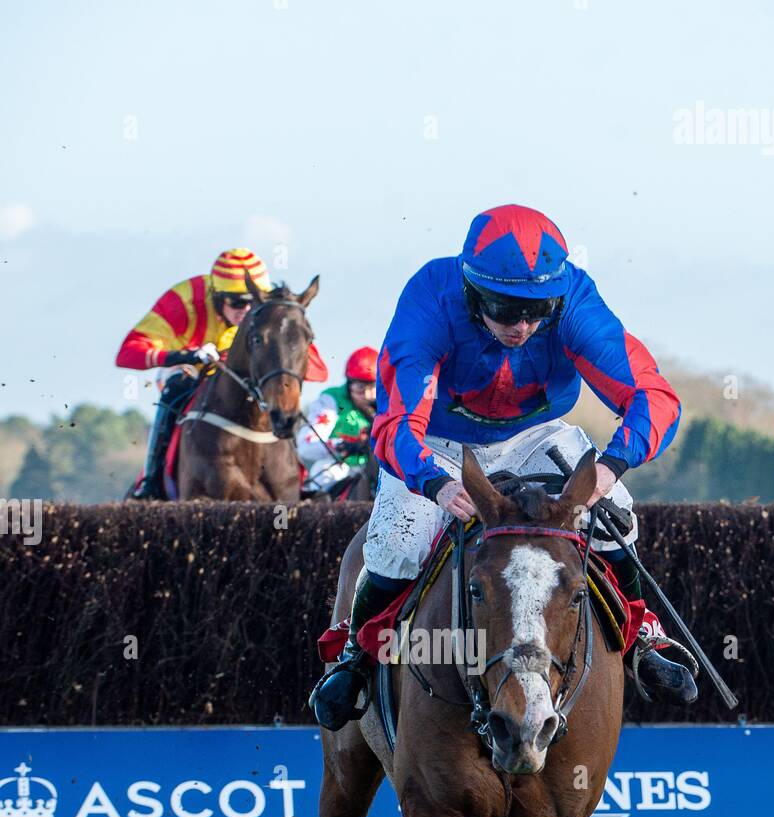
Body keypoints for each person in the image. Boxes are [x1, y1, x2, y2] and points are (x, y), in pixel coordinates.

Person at [311, 204, 697, 731]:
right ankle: (357, 655)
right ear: (473, 293)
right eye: (506, 310)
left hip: (534, 437)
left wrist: (611, 466)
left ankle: (641, 634)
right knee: (400, 541)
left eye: (537, 312)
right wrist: (435, 483)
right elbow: (398, 423)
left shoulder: (575, 300)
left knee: (618, 515)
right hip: (437, 443)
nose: (523, 326)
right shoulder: (431, 297)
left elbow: (653, 394)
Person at [116, 248, 272, 499]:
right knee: (176, 386)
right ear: (217, 297)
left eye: (252, 301)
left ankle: (297, 479)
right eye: (236, 302)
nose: (245, 310)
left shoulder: (269, 310)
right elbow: (128, 353)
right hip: (190, 369)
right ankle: (152, 479)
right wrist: (185, 355)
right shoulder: (183, 300)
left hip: (242, 378)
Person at [296, 346, 378, 494]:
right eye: (360, 388)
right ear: (349, 384)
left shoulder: (391, 402)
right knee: (324, 471)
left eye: (373, 387)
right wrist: (343, 446)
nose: (367, 395)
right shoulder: (330, 401)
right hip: (341, 468)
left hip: (378, 469)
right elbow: (305, 446)